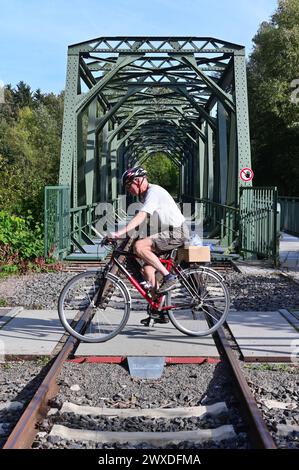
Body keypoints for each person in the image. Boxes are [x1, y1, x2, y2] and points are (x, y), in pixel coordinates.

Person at [110, 166, 189, 297]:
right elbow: (147, 220)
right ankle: (158, 310)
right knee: (147, 270)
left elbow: (142, 215)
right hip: (167, 232)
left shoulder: (153, 192)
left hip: (176, 232)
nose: (130, 191)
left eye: (129, 187)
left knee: (140, 246)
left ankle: (169, 277)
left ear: (137, 181)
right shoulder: (145, 195)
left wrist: (120, 232)